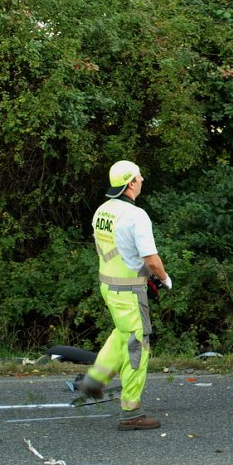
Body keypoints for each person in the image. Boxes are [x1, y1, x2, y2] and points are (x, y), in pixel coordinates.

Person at [79, 160, 172, 430]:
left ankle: (95, 381)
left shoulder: (102, 211)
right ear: (131, 183)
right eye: (139, 177)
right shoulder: (136, 215)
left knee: (122, 333)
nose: (142, 179)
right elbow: (152, 259)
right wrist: (164, 279)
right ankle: (132, 413)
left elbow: (105, 249)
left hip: (108, 287)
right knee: (137, 347)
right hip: (129, 291)